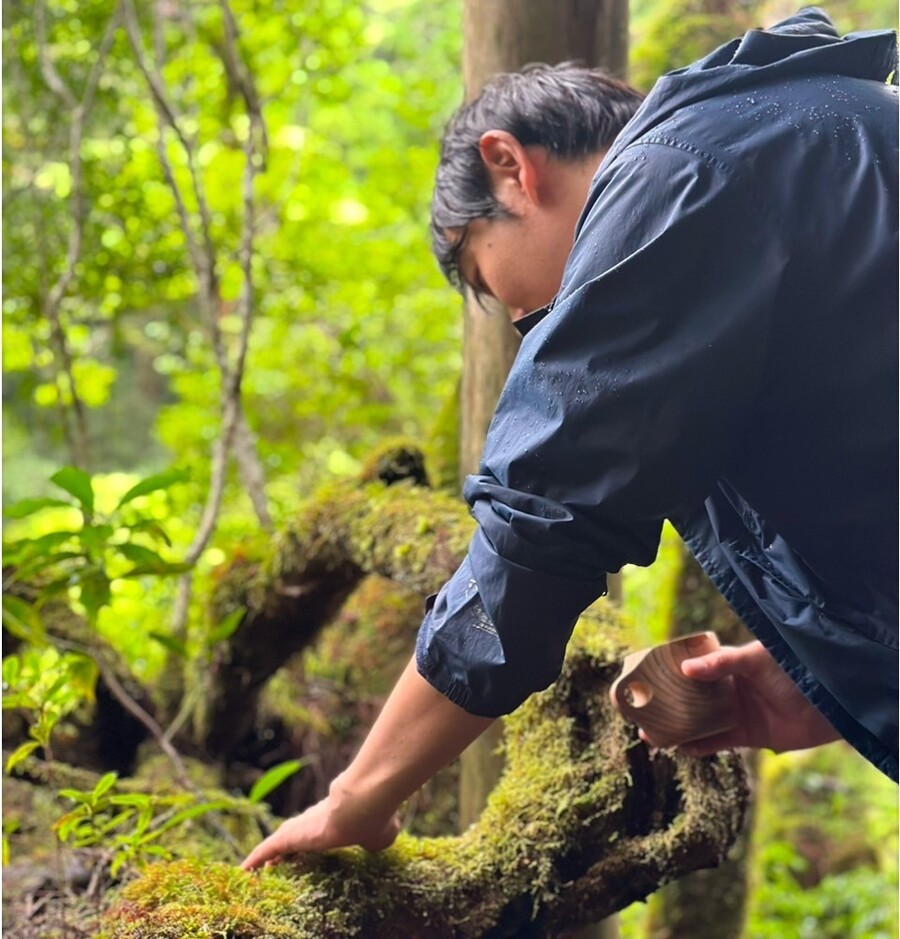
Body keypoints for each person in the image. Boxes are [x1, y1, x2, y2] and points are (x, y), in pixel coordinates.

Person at [241, 8, 898, 870]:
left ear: (509, 167)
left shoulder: (677, 178)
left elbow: (542, 530)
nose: (520, 319)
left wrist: (359, 798)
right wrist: (820, 678)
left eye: (487, 274)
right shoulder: (806, 132)